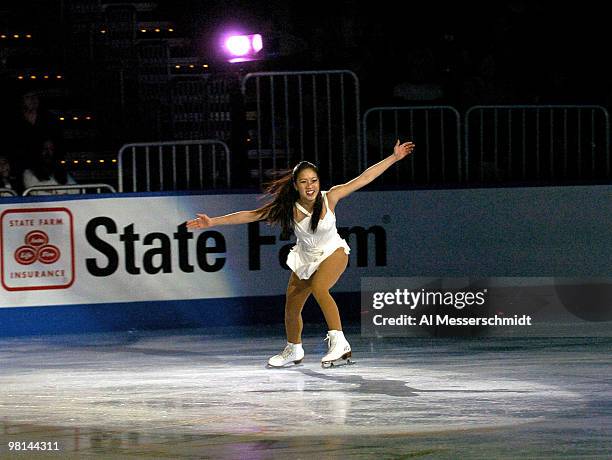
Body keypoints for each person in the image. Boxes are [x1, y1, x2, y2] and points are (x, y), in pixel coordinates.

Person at [186, 140, 415, 367]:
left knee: (319, 287)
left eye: (313, 180)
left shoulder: (330, 197)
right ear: (295, 185)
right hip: (306, 257)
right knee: (291, 307)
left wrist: (394, 157)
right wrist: (212, 222)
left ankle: (339, 341)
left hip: (333, 252)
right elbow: (251, 215)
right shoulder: (288, 209)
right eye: (304, 182)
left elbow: (365, 177)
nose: (310, 186)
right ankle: (294, 349)